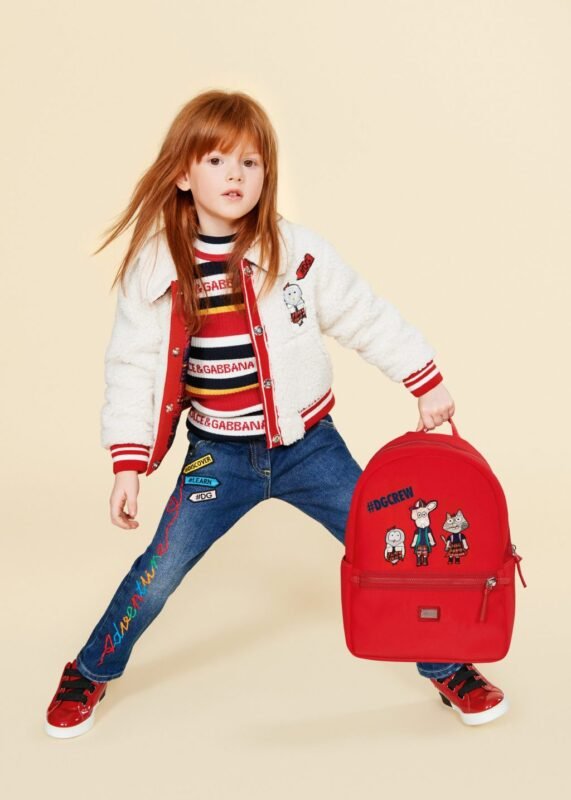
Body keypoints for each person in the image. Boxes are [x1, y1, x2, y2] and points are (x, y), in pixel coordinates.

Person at [45, 89, 508, 738]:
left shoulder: (297, 254)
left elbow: (363, 314)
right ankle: (90, 669)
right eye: (216, 160)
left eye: (250, 162)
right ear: (183, 173)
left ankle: (447, 664)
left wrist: (422, 378)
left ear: (267, 174)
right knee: (158, 571)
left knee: (391, 552)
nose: (234, 175)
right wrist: (127, 464)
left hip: (309, 447)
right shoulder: (155, 269)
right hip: (216, 458)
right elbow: (131, 367)